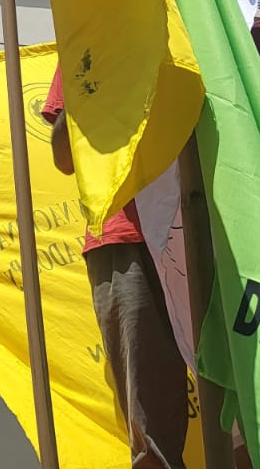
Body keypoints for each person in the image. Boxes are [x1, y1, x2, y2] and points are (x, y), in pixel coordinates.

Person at [45, 70, 189, 469]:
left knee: (242, 404)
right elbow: (64, 156)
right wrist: (93, 81)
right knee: (151, 425)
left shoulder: (201, 22)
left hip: (201, 227)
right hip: (125, 238)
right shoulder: (89, 36)